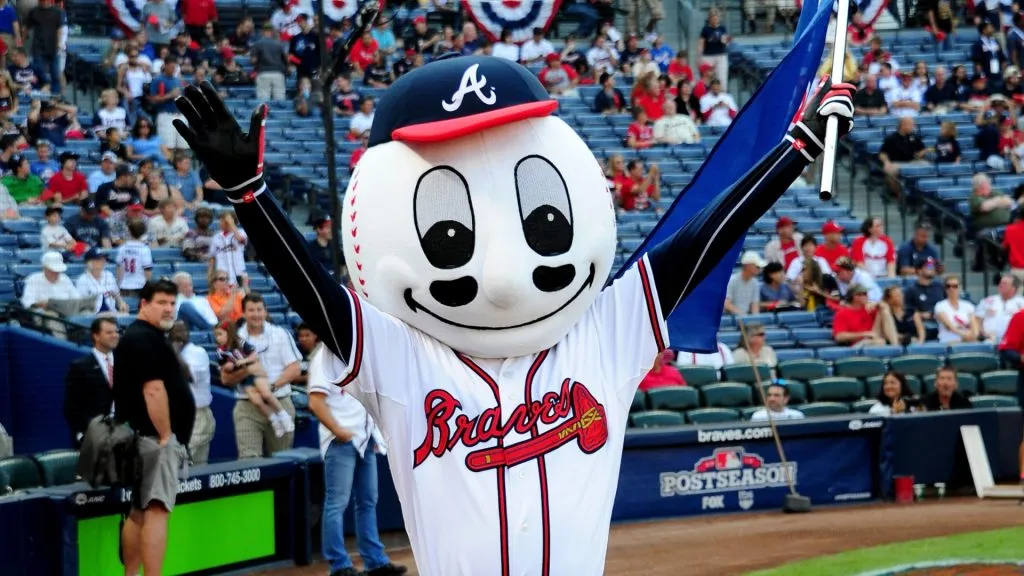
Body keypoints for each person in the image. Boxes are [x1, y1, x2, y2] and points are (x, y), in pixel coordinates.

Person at [173, 57, 854, 574]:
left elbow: (699, 244)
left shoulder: (603, 331)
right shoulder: (404, 354)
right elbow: (316, 293)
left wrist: (797, 146)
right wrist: (250, 197)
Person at [113, 279, 196, 576]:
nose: (169, 308)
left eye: (173, 303)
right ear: (143, 304)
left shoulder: (143, 336)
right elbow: (153, 390)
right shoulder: (144, 338)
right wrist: (165, 436)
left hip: (140, 437)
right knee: (157, 511)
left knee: (137, 512)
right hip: (153, 439)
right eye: (161, 302)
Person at [309, 347, 407, 576]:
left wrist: (372, 431)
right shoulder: (324, 357)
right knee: (337, 503)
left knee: (367, 502)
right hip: (340, 441)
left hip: (365, 439)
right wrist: (338, 431)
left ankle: (375, 561)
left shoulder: (357, 355)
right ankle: (339, 564)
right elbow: (316, 401)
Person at [221, 293, 300, 459]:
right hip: (247, 404)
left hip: (280, 400)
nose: (255, 314)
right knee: (249, 462)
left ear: (266, 311)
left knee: (282, 460)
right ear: (243, 313)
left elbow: (294, 368)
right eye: (251, 310)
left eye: (259, 310)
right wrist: (248, 371)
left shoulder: (280, 334)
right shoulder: (235, 338)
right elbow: (225, 379)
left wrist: (271, 387)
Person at [214, 320, 295, 438]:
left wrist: (244, 361)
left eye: (220, 334)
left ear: (229, 333)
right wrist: (227, 367)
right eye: (216, 335)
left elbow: (254, 355)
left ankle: (284, 415)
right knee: (257, 401)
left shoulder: (240, 342)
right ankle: (274, 420)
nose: (217, 338)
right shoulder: (220, 350)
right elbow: (222, 368)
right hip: (243, 378)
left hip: (255, 372)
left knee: (266, 394)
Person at [63, 317, 118, 447]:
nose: (115, 336)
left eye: (116, 332)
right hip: (94, 436)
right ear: (96, 336)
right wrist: (83, 434)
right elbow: (71, 408)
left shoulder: (125, 363)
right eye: (109, 333)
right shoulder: (80, 367)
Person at [169, 320, 215, 465]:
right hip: (174, 416)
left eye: (183, 331)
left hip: (197, 416)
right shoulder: (164, 352)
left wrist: (175, 353)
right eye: (176, 331)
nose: (180, 335)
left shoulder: (197, 352)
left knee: (191, 463)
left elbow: (187, 376)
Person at [76, 247, 128, 314]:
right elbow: (82, 306)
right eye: (99, 259)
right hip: (92, 316)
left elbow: (116, 295)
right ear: (89, 263)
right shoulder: (82, 280)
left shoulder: (109, 275)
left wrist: (121, 303)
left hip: (112, 313)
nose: (103, 261)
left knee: (126, 315)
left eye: (103, 259)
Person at [934, 275, 980, 343]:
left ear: (960, 288)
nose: (951, 289)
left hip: (968, 339)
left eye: (955, 286)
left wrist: (974, 336)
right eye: (948, 286)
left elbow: (975, 326)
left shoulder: (968, 305)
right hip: (948, 340)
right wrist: (965, 335)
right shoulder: (940, 305)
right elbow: (949, 326)